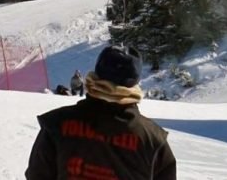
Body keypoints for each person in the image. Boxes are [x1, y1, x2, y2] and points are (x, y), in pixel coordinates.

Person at [25, 45, 176, 180]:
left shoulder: (57, 124)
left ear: (97, 73)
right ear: (135, 82)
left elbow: (37, 175)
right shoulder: (153, 140)